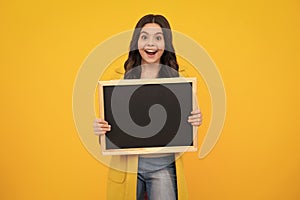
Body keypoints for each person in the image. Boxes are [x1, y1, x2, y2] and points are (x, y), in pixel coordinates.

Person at [93, 14, 202, 200]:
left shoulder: (180, 80)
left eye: (158, 38)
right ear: (137, 42)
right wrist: (101, 129)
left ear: (166, 43)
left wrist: (195, 120)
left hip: (163, 167)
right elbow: (111, 135)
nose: (150, 44)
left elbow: (188, 129)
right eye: (144, 37)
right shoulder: (119, 79)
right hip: (127, 169)